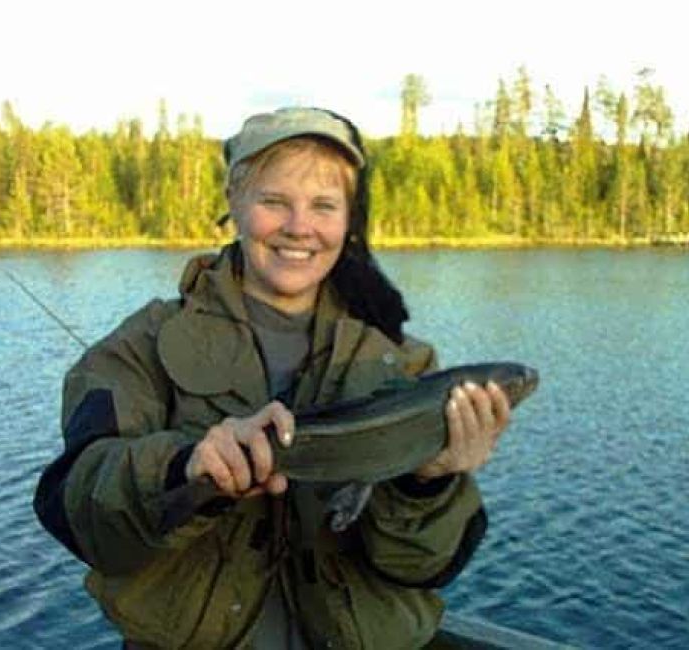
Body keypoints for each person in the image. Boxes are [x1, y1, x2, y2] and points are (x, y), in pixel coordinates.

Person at [34, 106, 511, 649]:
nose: (299, 226)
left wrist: (427, 485)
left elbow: (429, 566)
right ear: (234, 201)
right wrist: (185, 467)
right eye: (274, 201)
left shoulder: (405, 365)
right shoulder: (138, 347)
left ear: (348, 219)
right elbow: (75, 506)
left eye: (324, 205)